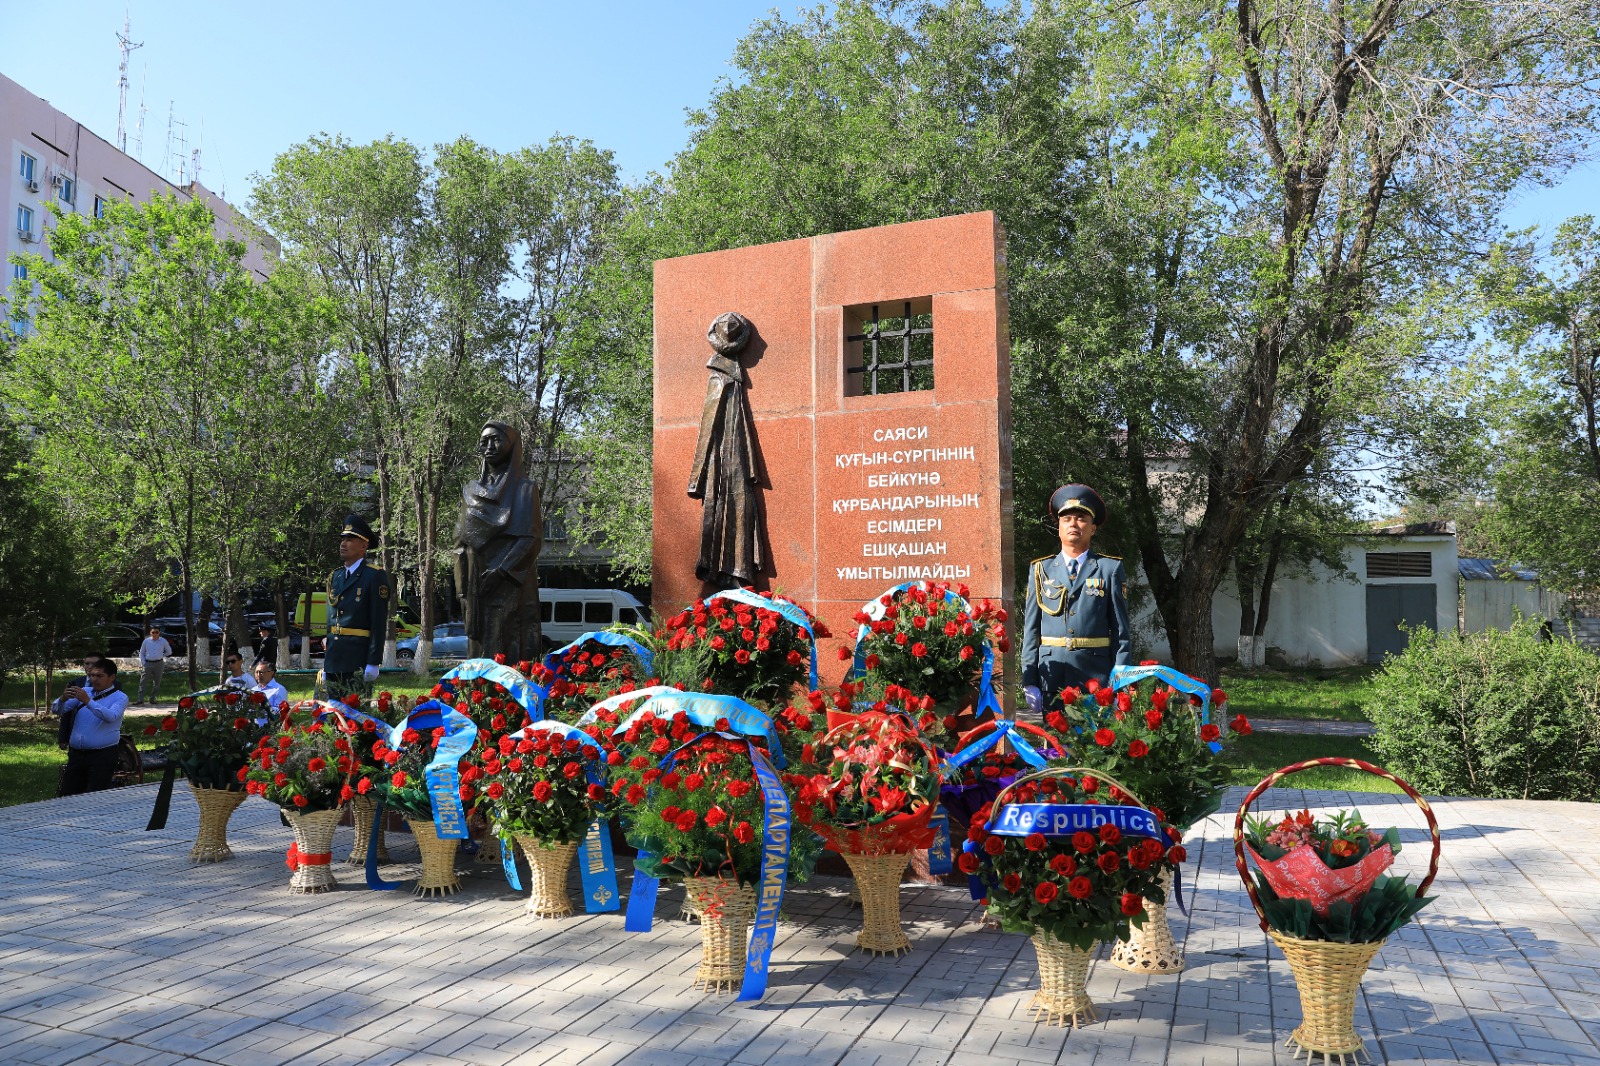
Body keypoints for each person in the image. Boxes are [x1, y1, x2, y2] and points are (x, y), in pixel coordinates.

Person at [1021, 484, 1133, 717]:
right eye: (1067, 519)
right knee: (1056, 748)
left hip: (1095, 678)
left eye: (1081, 518)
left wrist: (1119, 683)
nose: (1073, 524)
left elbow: (1121, 633)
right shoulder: (1041, 570)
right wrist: (1029, 679)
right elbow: (1031, 630)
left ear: (1092, 528)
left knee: (1095, 749)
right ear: (1059, 528)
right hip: (1052, 677)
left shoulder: (1109, 569)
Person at [321, 514, 388, 701]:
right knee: (334, 715)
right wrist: (328, 658)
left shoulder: (374, 576)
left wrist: (374, 662)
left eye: (350, 539)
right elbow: (331, 618)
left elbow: (378, 621)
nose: (343, 543)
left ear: (364, 546)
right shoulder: (336, 577)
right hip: (335, 659)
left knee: (356, 719)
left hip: (358, 659)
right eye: (342, 539)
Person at [51, 655, 129, 795]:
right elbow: (57, 710)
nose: (94, 679)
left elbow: (111, 716)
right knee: (67, 795)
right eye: (92, 675)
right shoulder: (85, 691)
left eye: (99, 676)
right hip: (77, 755)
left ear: (112, 677)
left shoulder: (120, 697)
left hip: (102, 756)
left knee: (94, 796)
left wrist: (88, 702)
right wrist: (62, 699)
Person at [136, 626, 171, 704]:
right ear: (150, 633)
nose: (154, 634)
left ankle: (152, 699)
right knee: (143, 681)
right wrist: (144, 662)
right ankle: (140, 699)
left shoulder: (163, 641)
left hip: (159, 663)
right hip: (148, 663)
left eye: (156, 632)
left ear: (159, 633)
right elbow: (141, 653)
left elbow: (169, 651)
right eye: (153, 632)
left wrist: (161, 655)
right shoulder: (146, 641)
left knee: (157, 682)